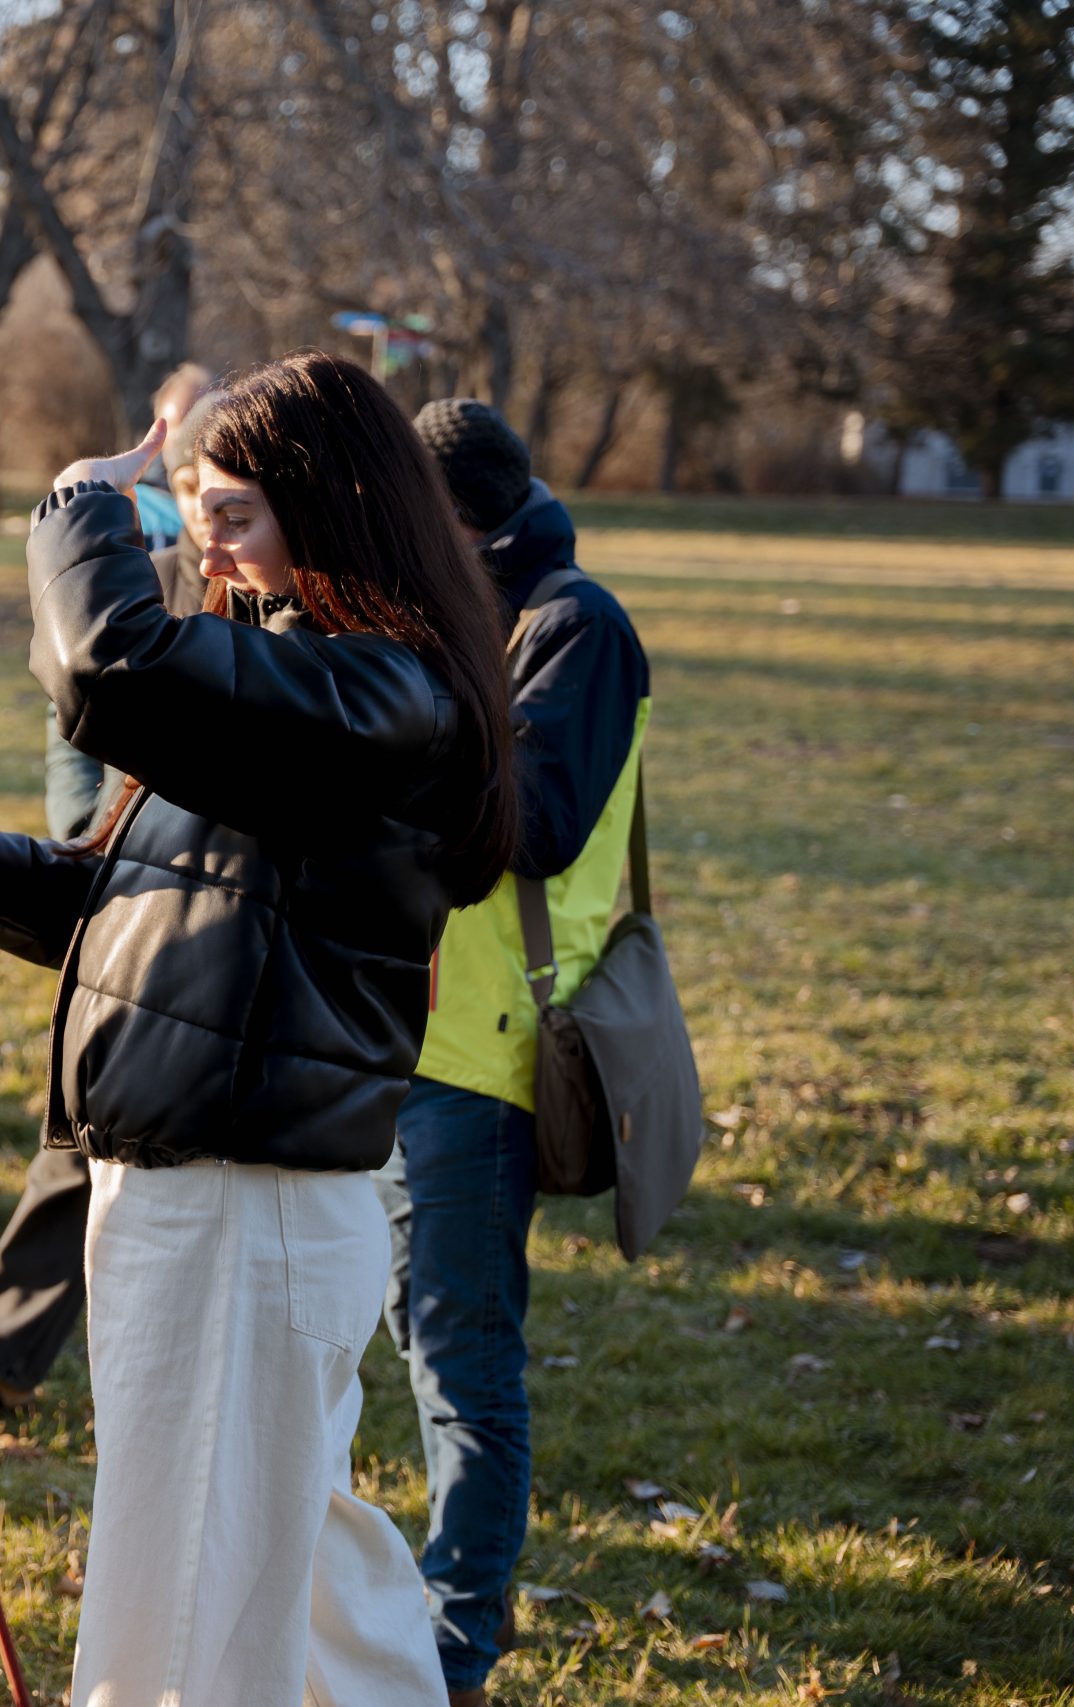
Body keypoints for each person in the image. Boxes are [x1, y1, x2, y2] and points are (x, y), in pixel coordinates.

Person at [0, 350, 518, 1704]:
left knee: (189, 1567)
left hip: (244, 1190)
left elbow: (107, 661)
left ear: (334, 505)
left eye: (232, 509)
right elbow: (137, 906)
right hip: (211, 1182)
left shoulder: (385, 694)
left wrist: (78, 507)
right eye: (192, 504)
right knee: (291, 1557)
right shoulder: (306, 669)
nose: (203, 536)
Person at [386, 399, 651, 1704]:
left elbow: (533, 825)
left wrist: (394, 730)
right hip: (396, 1035)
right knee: (398, 1327)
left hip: (483, 1054)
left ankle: (455, 1643)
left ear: (451, 516)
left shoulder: (573, 624)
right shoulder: (446, 612)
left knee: (462, 1364)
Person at [0, 384, 220, 1428]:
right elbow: (84, 698)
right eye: (186, 484)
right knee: (81, 1132)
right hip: (127, 876)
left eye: (221, 491)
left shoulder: (284, 610)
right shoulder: (160, 575)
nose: (199, 512)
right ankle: (0, 1358)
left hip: (226, 957)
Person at [43, 361, 212, 840]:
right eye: (178, 427)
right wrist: (85, 819)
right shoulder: (143, 552)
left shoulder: (268, 589)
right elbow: (75, 686)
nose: (192, 445)